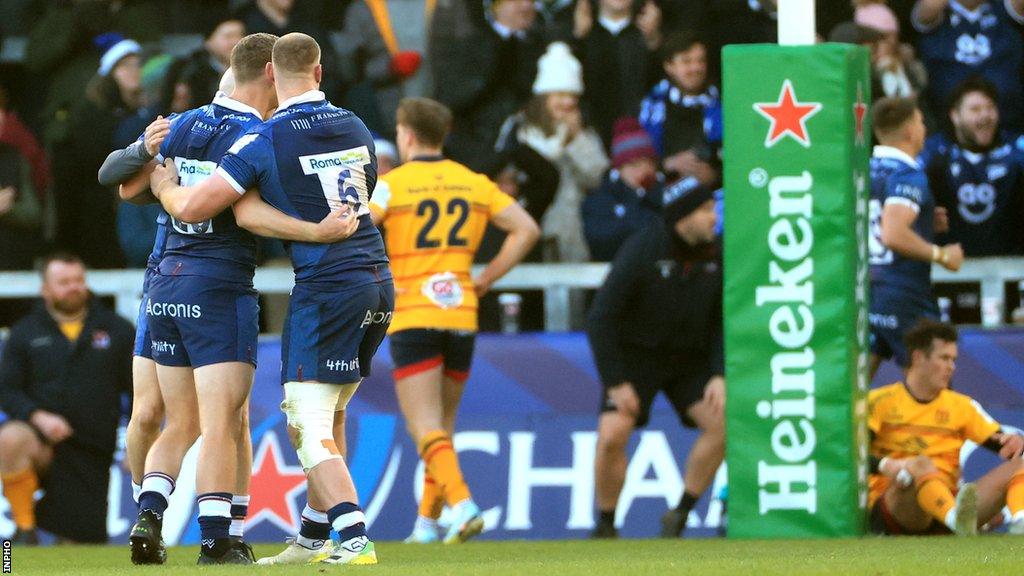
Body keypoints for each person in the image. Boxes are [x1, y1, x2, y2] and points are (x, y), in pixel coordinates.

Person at [105, 37, 357, 566]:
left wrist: (157, 174)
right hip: (218, 284)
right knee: (221, 419)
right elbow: (247, 215)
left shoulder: (183, 123)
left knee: (173, 418)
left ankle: (147, 512)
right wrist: (316, 231)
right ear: (270, 74)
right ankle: (218, 540)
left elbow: (128, 188)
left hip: (163, 282)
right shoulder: (256, 136)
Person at [369, 97, 540, 544]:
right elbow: (527, 229)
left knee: (424, 425)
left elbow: (359, 230)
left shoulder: (392, 185)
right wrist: (486, 278)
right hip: (462, 311)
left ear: (405, 134)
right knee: (442, 426)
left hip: (413, 313)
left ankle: (463, 506)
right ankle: (427, 524)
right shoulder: (473, 183)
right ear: (442, 135)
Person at [586, 177, 724, 539]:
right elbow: (601, 318)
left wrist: (719, 374)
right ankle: (605, 523)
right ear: (683, 217)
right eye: (707, 210)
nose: (715, 218)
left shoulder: (717, 253)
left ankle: (680, 514)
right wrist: (616, 382)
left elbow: (720, 321)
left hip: (688, 360)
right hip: (636, 358)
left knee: (723, 424)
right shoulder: (643, 249)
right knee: (613, 433)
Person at [0, 254, 134, 544]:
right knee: (9, 438)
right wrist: (38, 417)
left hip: (92, 446)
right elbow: (7, 390)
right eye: (63, 282)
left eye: (78, 281)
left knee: (81, 542)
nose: (73, 288)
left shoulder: (118, 329)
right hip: (42, 442)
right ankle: (24, 529)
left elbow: (139, 390)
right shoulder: (24, 332)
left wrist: (139, 442)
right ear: (45, 289)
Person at [868, 319, 1024, 536]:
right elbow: (850, 456)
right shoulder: (880, 401)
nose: (951, 366)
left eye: (953, 359)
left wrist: (1016, 444)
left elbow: (1006, 447)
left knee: (1019, 466)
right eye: (944, 358)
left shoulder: (961, 406)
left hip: (948, 499)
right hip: (900, 504)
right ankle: (955, 520)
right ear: (918, 358)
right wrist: (888, 465)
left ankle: (1020, 523)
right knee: (921, 465)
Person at [868, 97, 962, 377]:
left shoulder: (862, 172)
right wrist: (942, 255)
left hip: (868, 292)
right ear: (910, 130)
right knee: (935, 382)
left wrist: (922, 222)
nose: (924, 129)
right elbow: (893, 233)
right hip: (905, 294)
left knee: (856, 392)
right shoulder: (908, 175)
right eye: (921, 122)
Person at [496, 41, 608, 263]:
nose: (566, 102)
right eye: (559, 94)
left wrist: (576, 140)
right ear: (544, 95)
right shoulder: (519, 128)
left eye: (572, 95)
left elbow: (597, 177)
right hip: (523, 223)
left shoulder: (584, 133)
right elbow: (502, 168)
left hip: (568, 229)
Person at [921, 77, 1024, 256]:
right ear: (955, 115)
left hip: (1011, 268)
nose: (985, 115)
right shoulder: (934, 152)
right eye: (975, 109)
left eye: (990, 107)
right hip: (949, 273)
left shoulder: (1016, 149)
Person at [912, 0, 1024, 131]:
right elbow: (926, 10)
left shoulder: (1004, 7)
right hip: (950, 132)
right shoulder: (935, 11)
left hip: (1011, 126)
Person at [639, 31, 721, 187]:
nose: (695, 68)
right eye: (686, 61)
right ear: (669, 66)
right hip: (661, 196)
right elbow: (635, 164)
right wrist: (667, 165)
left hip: (712, 199)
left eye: (700, 61)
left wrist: (715, 176)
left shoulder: (721, 103)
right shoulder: (651, 106)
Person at [582, 117, 663, 261]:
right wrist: (635, 200)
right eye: (634, 165)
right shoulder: (600, 199)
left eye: (649, 163)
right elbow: (600, 240)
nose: (643, 171)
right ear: (619, 169)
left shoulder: (664, 193)